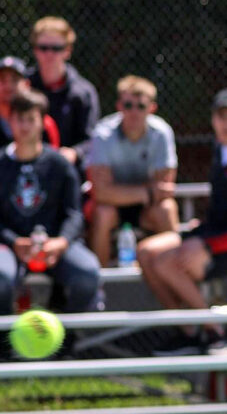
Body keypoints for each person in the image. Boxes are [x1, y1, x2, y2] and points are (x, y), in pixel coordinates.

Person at [137, 88, 227, 355]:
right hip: (214, 233)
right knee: (146, 252)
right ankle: (188, 330)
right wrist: (200, 233)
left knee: (168, 263)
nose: (225, 124)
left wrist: (209, 246)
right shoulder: (221, 148)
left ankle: (214, 332)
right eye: (220, 116)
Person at [0, 89, 100, 319]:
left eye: (31, 119)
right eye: (19, 119)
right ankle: (7, 347)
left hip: (55, 246)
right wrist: (15, 242)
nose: (24, 126)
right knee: (1, 278)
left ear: (43, 122)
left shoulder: (59, 164)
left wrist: (61, 242)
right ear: (10, 120)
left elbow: (74, 214)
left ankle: (65, 343)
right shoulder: (2, 163)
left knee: (87, 274)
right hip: (9, 247)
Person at [85, 75, 178, 267]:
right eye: (128, 105)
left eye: (141, 106)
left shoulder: (162, 133)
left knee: (167, 209)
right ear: (119, 106)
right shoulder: (102, 134)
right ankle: (100, 287)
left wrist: (117, 191)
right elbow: (101, 193)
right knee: (102, 214)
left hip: (147, 208)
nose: (134, 112)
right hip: (114, 208)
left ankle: (175, 276)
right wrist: (147, 191)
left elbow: (164, 190)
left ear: (152, 108)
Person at [27, 16, 100, 167]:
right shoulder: (23, 86)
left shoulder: (84, 92)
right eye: (43, 48)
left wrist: (74, 153)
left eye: (56, 48)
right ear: (35, 50)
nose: (49, 54)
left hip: (66, 171)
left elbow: (91, 139)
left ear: (67, 51)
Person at [0, 56, 60, 149]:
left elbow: (51, 159)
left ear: (27, 84)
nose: (8, 85)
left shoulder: (43, 123)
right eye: (3, 80)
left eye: (15, 80)